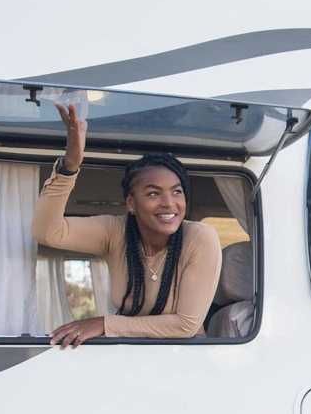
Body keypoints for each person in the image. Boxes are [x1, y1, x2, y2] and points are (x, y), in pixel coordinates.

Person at [31, 102, 221, 347]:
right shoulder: (115, 232)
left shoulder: (200, 237)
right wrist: (69, 168)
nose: (168, 203)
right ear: (131, 203)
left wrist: (104, 324)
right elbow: (47, 232)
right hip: (130, 356)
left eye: (177, 192)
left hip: (184, 358)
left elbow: (186, 325)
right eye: (153, 194)